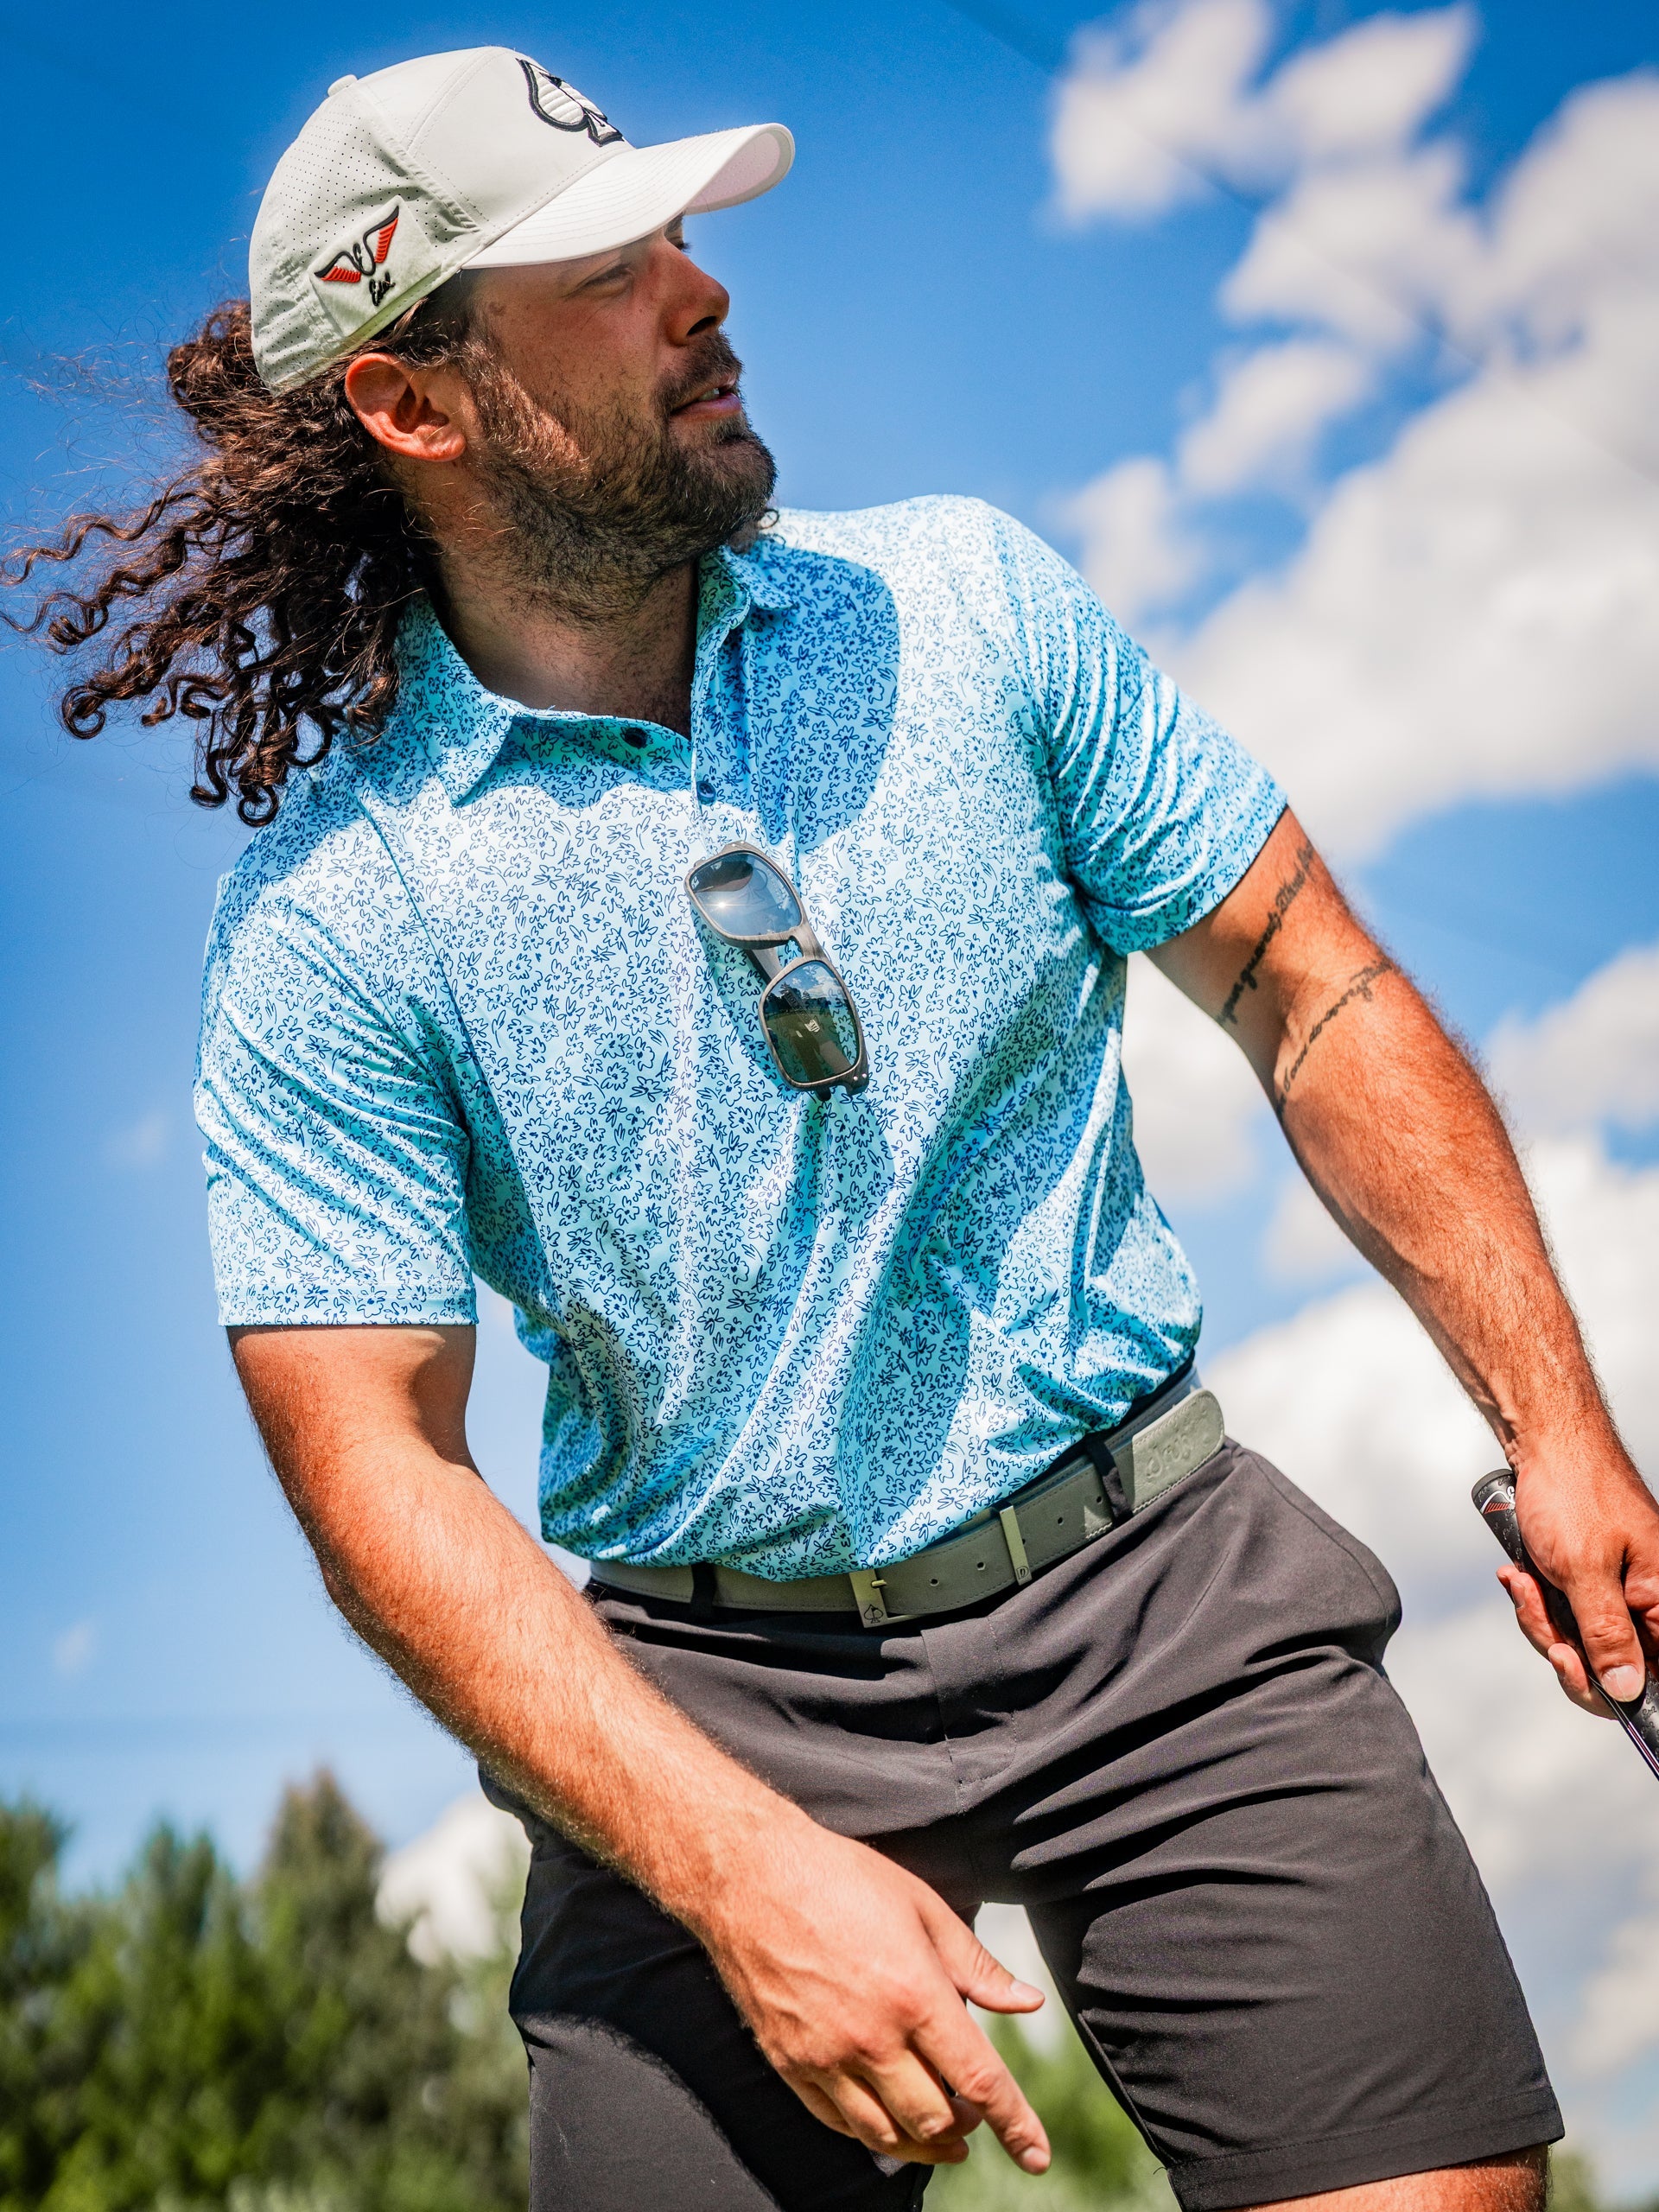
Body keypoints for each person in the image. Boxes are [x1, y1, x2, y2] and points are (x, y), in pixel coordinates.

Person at [11, 42, 1657, 2212]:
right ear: (415, 406)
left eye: (681, 238)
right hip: (710, 1686)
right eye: (604, 272)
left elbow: (1309, 979)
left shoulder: (967, 602)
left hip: (1157, 1570)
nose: (700, 292)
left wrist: (1551, 1410)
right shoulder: (329, 921)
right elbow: (375, 1467)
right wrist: (729, 1863)